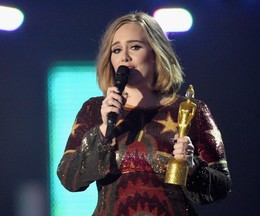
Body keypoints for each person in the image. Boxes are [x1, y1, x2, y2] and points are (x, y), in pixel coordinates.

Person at [57, 12, 231, 216]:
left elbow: (221, 186)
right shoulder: (95, 110)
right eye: (116, 50)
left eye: (135, 47)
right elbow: (69, 178)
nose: (124, 57)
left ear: (156, 53)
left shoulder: (190, 110)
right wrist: (103, 131)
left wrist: (192, 168)